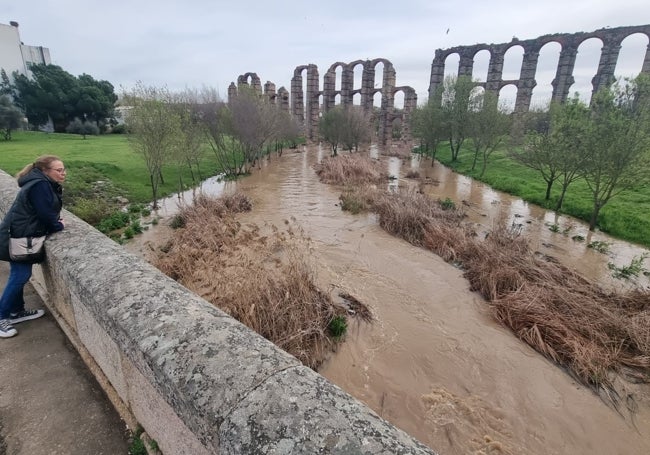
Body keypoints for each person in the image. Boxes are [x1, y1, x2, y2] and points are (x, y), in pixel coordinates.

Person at [0, 155, 66, 338]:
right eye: (59, 170)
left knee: (18, 274)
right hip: (20, 236)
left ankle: (16, 311)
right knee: (20, 275)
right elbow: (44, 213)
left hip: (17, 233)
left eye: (63, 169)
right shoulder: (40, 185)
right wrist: (58, 225)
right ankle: (2, 316)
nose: (63, 173)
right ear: (45, 171)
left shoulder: (39, 181)